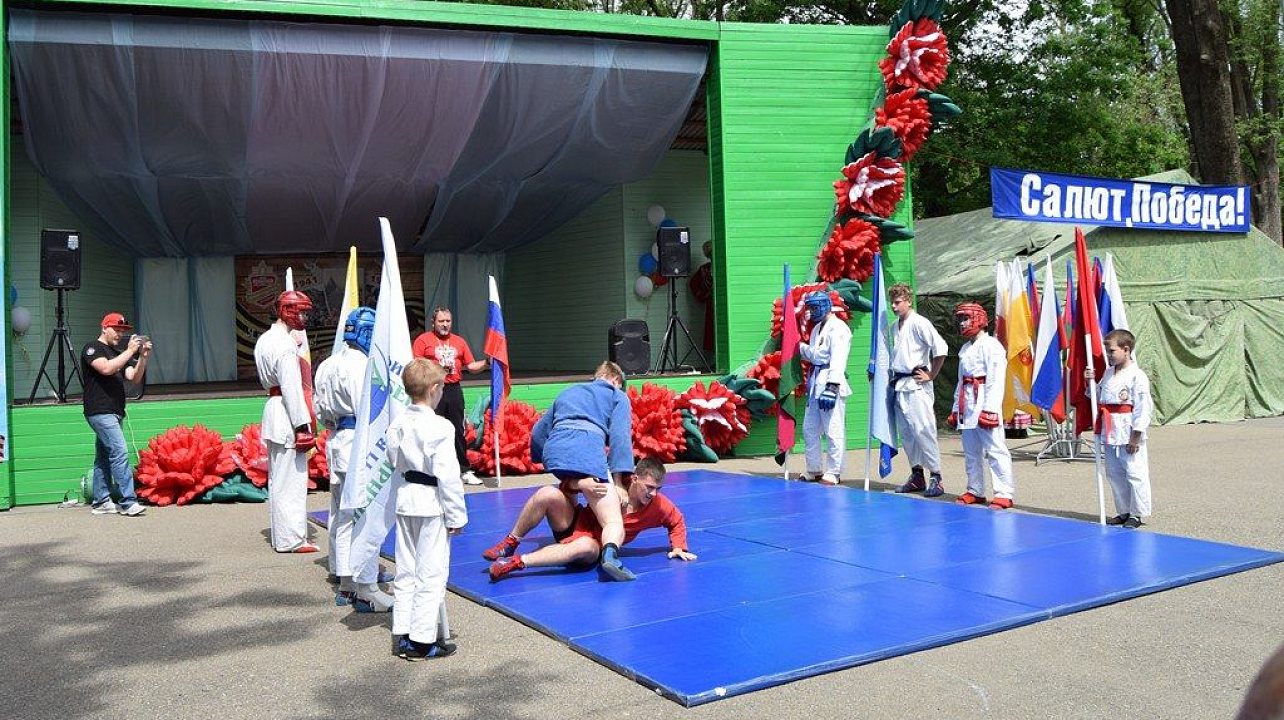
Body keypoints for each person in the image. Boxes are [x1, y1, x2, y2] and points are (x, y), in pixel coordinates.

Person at [485, 457, 695, 581]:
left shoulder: (658, 504)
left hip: (595, 545)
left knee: (585, 545)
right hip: (573, 523)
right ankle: (511, 541)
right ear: (634, 478)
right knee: (547, 493)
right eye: (649, 487)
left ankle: (515, 562)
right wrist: (580, 484)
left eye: (658, 488)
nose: (653, 493)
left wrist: (678, 546)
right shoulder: (610, 484)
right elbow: (566, 487)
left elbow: (676, 520)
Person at [385, 358, 467, 660]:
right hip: (431, 503)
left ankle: (403, 632)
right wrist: (456, 515)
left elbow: (393, 460)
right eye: (442, 388)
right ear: (434, 389)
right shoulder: (440, 426)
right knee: (431, 572)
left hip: (406, 499)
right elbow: (448, 475)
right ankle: (422, 641)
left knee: (406, 570)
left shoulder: (398, 423)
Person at [314, 306, 393, 611]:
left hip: (337, 440)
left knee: (340, 512)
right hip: (359, 443)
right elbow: (369, 411)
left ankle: (345, 570)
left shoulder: (328, 364)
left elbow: (320, 412)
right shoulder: (362, 366)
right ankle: (354, 582)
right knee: (360, 514)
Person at [528, 360, 636, 581]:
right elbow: (620, 437)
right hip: (587, 453)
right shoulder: (617, 395)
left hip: (555, 454)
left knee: (571, 485)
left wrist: (542, 457)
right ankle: (610, 556)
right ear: (616, 380)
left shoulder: (569, 391)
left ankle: (567, 536)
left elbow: (539, 430)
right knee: (612, 520)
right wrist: (618, 482)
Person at [254, 290, 319, 553]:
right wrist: (302, 425)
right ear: (287, 311)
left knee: (279, 480)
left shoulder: (266, 339)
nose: (304, 317)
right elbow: (292, 387)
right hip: (287, 412)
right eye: (301, 312)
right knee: (291, 482)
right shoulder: (283, 345)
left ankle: (284, 536)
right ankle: (291, 539)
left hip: (274, 407)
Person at [81, 312, 152, 516]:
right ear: (104, 328)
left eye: (123, 331)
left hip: (115, 411)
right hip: (99, 410)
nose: (120, 334)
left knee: (104, 456)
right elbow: (105, 368)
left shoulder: (118, 353)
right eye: (116, 330)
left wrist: (143, 357)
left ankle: (101, 501)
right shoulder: (92, 348)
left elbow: (133, 377)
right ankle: (128, 502)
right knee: (119, 452)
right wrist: (130, 351)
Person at [412, 307, 489, 486]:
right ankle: (430, 470)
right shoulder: (423, 340)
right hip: (431, 390)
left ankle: (464, 470)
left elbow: (471, 366)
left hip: (453, 389)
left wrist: (487, 363)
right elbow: (416, 366)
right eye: (441, 321)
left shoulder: (459, 341)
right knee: (431, 430)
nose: (445, 324)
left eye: (448, 321)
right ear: (433, 323)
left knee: (457, 430)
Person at [949, 303, 1016, 509]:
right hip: (967, 401)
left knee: (995, 448)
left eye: (966, 318)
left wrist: (990, 409)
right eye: (960, 319)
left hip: (984, 398)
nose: (962, 323)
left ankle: (1004, 492)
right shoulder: (965, 348)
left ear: (979, 319)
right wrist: (955, 408)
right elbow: (961, 380)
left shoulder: (992, 345)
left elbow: (996, 379)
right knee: (971, 450)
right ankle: (975, 489)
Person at [887, 283, 948, 497]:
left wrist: (931, 374)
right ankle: (917, 474)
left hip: (917, 384)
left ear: (908, 301)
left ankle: (936, 476)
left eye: (898, 302)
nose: (894, 306)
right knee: (907, 434)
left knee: (923, 430)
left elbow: (941, 348)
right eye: (892, 302)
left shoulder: (920, 322)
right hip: (900, 384)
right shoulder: (894, 327)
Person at [1091, 329, 1153, 528]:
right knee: (1114, 473)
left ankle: (1137, 513)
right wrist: (1090, 381)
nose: (1108, 355)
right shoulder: (1108, 373)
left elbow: (1143, 408)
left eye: (1112, 351)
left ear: (1126, 350)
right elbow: (1096, 397)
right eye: (1107, 351)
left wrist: (1136, 435)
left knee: (1134, 472)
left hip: (1128, 430)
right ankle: (1123, 510)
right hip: (1110, 429)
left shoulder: (1137, 375)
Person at [797, 290, 852, 485]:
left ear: (825, 306)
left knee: (833, 428)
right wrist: (799, 347)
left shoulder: (839, 328)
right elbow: (815, 355)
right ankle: (814, 469)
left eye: (814, 307)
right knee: (809, 429)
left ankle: (834, 471)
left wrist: (832, 386)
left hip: (830, 380)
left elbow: (838, 358)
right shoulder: (816, 329)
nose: (812, 312)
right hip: (816, 382)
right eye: (810, 308)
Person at [689, 240, 715, 360]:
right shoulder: (705, 269)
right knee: (711, 332)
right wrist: (703, 295)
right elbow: (693, 283)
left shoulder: (726, 267)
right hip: (711, 305)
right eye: (710, 254)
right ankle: (712, 361)